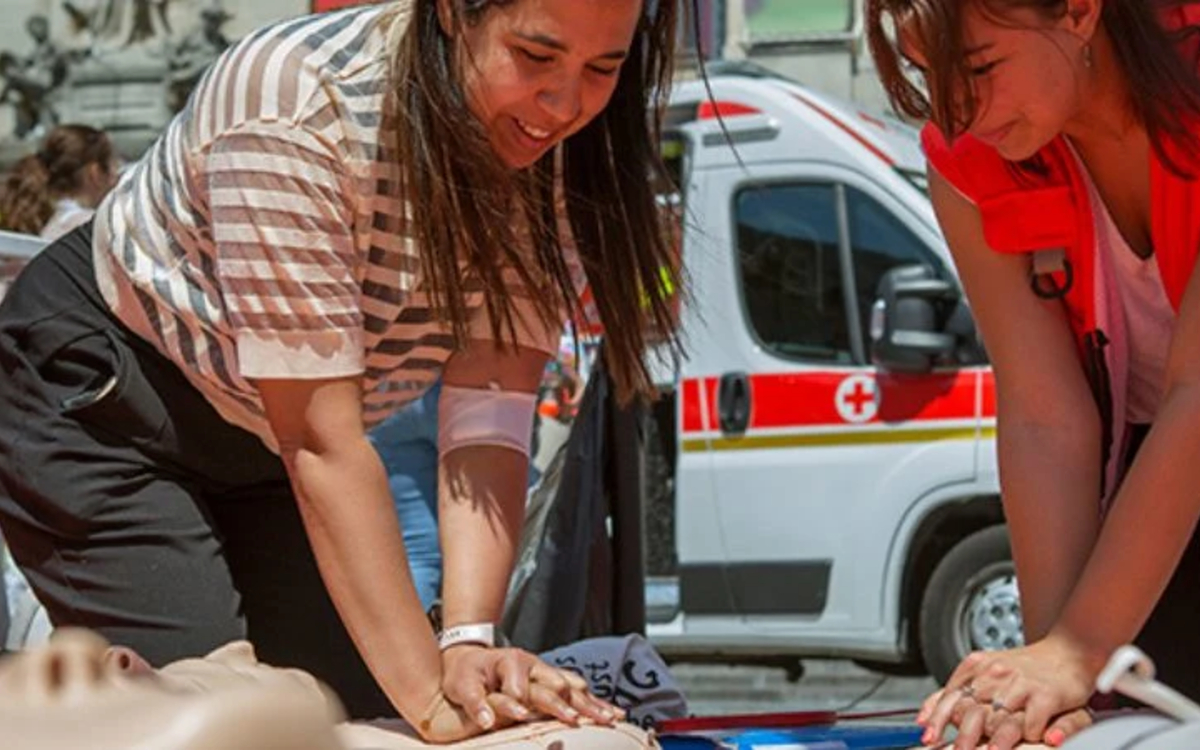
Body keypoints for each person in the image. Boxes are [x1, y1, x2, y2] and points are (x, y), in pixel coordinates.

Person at [0, 0, 682, 743]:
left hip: (265, 438)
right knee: (223, 718)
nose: (563, 104)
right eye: (535, 56)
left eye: (603, 68)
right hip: (108, 401)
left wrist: (468, 642)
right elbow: (322, 444)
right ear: (452, 12)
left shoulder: (560, 150)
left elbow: (491, 400)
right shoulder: (295, 103)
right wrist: (432, 697)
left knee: (344, 707)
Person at [866, 1, 1200, 748]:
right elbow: (1045, 416)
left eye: (979, 68)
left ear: (1079, 10)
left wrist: (1078, 650)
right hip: (1160, 488)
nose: (958, 114)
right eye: (930, 75)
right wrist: (1053, 675)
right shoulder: (967, 161)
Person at [0, 124, 120, 240]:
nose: (117, 177)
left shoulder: (49, 225)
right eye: (115, 166)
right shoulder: (101, 228)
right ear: (94, 173)